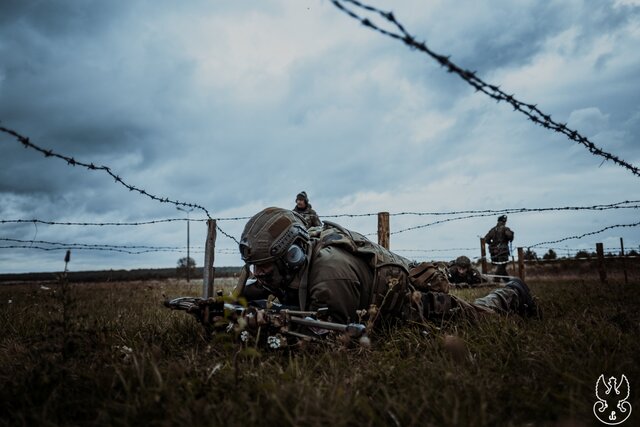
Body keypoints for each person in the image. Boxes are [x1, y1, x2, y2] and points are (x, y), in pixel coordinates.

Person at [236, 207, 539, 329]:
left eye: (264, 267)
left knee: (479, 316)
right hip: (379, 290)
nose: (259, 275)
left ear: (291, 256)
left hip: (407, 304)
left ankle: (513, 292)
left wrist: (264, 323)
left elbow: (328, 340)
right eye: (255, 268)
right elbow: (271, 290)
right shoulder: (297, 262)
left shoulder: (329, 276)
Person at [484, 215, 514, 282]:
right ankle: (495, 281)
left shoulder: (493, 230)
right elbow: (509, 236)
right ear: (504, 222)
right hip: (503, 251)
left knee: (502, 267)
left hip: (494, 252)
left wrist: (492, 245)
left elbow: (486, 239)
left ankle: (508, 281)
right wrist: (511, 234)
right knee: (501, 267)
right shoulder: (505, 229)